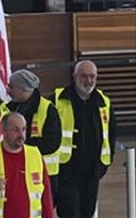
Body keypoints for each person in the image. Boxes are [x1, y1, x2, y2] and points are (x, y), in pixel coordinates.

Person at [0, 112, 56, 218]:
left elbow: (46, 197)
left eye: (24, 129)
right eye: (15, 130)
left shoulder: (35, 155)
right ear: (3, 131)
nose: (21, 135)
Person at [53, 60, 115, 218]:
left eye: (92, 76)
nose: (88, 81)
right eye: (84, 76)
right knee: (70, 212)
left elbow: (111, 133)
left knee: (88, 212)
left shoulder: (104, 102)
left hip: (92, 171)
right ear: (74, 76)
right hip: (66, 171)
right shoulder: (57, 98)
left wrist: (104, 164)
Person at [3, 69, 63, 191]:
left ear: (23, 90)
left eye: (11, 86)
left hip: (43, 175)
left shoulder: (47, 109)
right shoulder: (7, 108)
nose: (8, 90)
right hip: (14, 172)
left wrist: (20, 144)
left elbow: (52, 143)